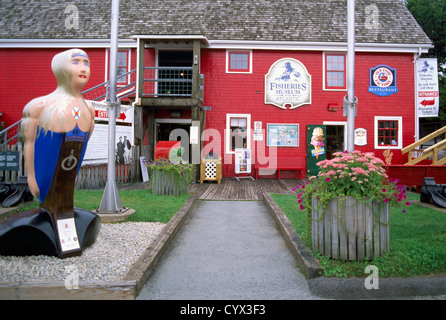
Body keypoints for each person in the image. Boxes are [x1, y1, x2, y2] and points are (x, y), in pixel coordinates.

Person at [21, 48, 95, 228]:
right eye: (76, 62)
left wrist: (74, 173)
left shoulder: (89, 111)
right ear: (60, 67)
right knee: (47, 205)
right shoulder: (39, 106)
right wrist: (31, 176)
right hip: (45, 176)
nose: (83, 68)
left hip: (68, 178)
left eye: (86, 63)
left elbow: (82, 148)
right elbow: (29, 143)